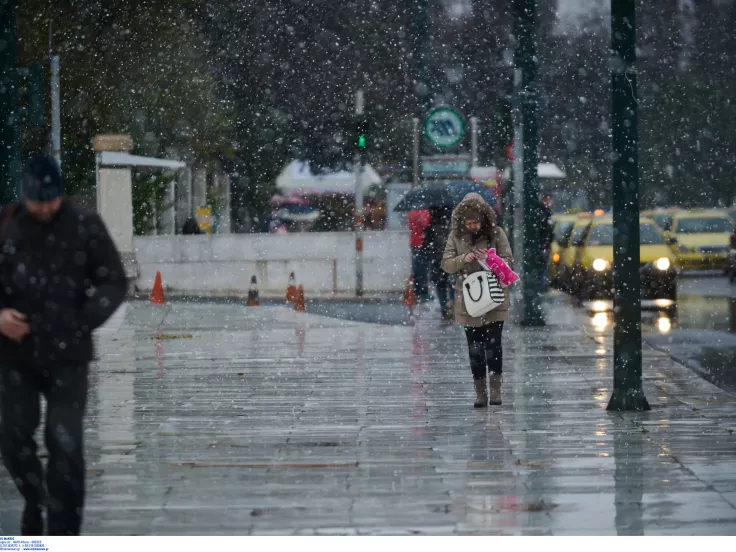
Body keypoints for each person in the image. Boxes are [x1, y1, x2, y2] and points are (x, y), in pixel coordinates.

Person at [0, 155, 127, 535]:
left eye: (51, 199)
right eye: (38, 200)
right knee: (11, 435)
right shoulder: (6, 225)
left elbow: (113, 281)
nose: (45, 207)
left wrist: (81, 323)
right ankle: (35, 497)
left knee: (65, 442)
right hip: (14, 356)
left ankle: (64, 532)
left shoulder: (85, 225)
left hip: (67, 357)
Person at [442, 193, 514, 408]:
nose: (472, 226)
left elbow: (509, 260)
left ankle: (495, 391)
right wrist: (464, 258)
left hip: (494, 297)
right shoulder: (455, 237)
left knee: (494, 346)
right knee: (474, 348)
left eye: (476, 221)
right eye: (468, 222)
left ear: (484, 218)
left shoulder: (496, 233)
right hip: (468, 299)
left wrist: (490, 259)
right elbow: (446, 264)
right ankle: (480, 393)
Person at [425, 207, 454, 320]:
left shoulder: (431, 227)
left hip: (438, 261)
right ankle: (452, 304)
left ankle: (444, 309)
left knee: (440, 285)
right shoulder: (453, 226)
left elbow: (426, 246)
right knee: (453, 284)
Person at [408, 209, 431, 301]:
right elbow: (426, 226)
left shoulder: (411, 213)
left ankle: (417, 291)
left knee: (416, 268)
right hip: (422, 243)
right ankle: (423, 292)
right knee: (423, 269)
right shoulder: (425, 213)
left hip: (414, 242)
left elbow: (412, 226)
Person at [539, 194, 555, 292]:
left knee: (544, 268)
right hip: (543, 245)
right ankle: (542, 289)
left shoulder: (546, 213)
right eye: (547, 200)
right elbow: (545, 231)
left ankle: (542, 289)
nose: (549, 203)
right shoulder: (544, 213)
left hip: (544, 245)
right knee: (543, 268)